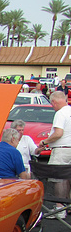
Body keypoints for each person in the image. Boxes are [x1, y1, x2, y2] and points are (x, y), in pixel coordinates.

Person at [38, 91, 71, 219]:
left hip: (62, 149)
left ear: (54, 102)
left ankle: (59, 208)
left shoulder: (60, 113)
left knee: (59, 179)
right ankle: (67, 206)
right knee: (68, 176)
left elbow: (58, 133)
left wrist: (44, 142)